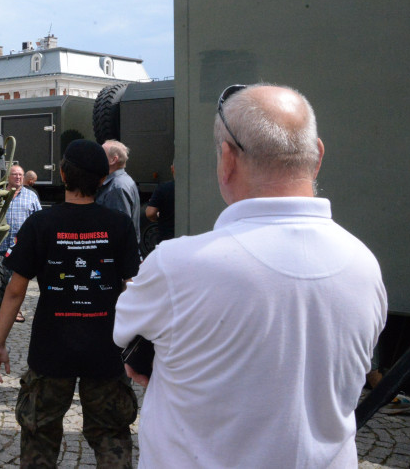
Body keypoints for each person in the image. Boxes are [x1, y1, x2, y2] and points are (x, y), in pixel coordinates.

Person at [114, 84, 387, 468]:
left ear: (227, 159)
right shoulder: (365, 264)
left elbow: (128, 340)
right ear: (318, 156)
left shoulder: (176, 265)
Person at [0, 139, 140, 468]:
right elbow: (133, 288)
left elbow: (14, 291)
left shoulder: (41, 224)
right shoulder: (119, 225)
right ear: (103, 179)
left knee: (39, 435)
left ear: (62, 174)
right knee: (112, 435)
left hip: (51, 349)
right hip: (106, 348)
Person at [0, 163, 41, 323]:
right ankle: (0, 309)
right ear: (8, 177)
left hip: (20, 248)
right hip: (0, 245)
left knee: (16, 282)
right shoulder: (1, 194)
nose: (18, 177)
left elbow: (38, 220)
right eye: (15, 174)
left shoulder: (31, 196)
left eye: (20, 175)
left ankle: (15, 310)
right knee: (0, 279)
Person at [96, 140, 141, 248]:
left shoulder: (116, 187)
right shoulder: (123, 181)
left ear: (113, 160)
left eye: (101, 154)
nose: (97, 157)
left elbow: (118, 229)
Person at [144, 163, 175, 243]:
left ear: (172, 169)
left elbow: (150, 213)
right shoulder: (196, 189)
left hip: (167, 239)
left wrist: (158, 216)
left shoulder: (163, 188)